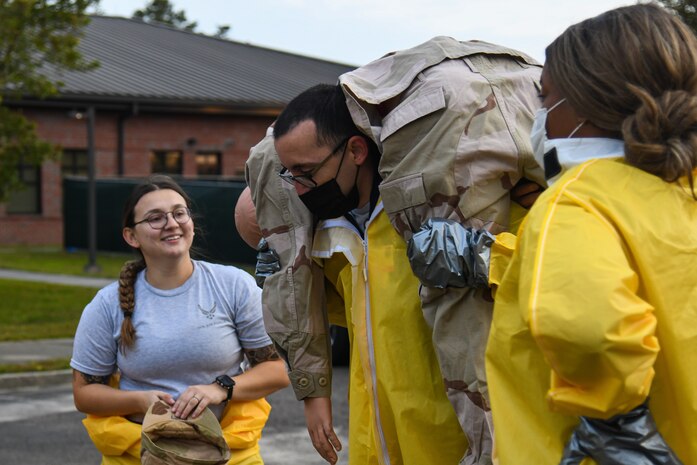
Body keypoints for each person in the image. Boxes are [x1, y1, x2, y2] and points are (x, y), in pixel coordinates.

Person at [246, 36, 545, 465]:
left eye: (307, 172)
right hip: (377, 438)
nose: (299, 188)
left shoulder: (456, 209)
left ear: (355, 149)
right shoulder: (335, 229)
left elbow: (551, 273)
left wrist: (484, 258)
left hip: (453, 436)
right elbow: (356, 314)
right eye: (290, 175)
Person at [485, 4, 697, 464]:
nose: (538, 115)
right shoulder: (683, 186)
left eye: (544, 98)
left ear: (583, 102)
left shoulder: (576, 199)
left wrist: (617, 429)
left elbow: (588, 329)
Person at [70, 174, 289, 465]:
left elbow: (277, 369)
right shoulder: (106, 304)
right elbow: (84, 393)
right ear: (131, 236)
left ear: (191, 224)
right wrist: (142, 400)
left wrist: (219, 389)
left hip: (230, 454)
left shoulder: (233, 285)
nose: (171, 223)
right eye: (155, 218)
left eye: (179, 213)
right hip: (139, 455)